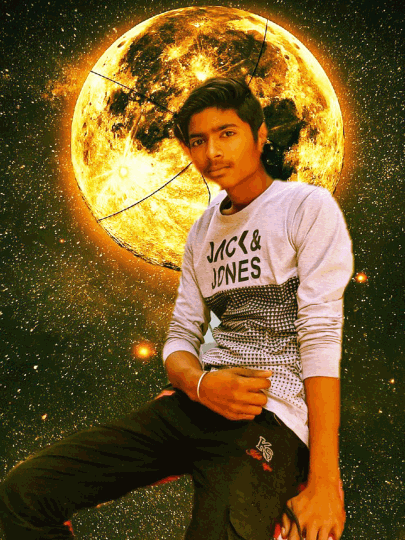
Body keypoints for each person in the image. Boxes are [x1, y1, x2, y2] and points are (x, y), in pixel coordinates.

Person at [0, 77, 353, 540]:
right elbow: (182, 335)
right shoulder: (201, 231)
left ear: (259, 134)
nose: (212, 152)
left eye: (227, 133)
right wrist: (200, 384)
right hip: (196, 402)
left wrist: (326, 480)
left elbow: (321, 335)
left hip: (271, 416)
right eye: (198, 141)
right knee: (25, 494)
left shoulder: (306, 206)